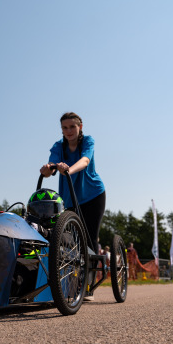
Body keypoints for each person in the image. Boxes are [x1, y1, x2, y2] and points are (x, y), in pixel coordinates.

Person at [40, 112, 106, 301]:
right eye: (64, 128)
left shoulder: (88, 141)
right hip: (69, 198)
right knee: (70, 241)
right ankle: (69, 283)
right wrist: (47, 169)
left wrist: (68, 169)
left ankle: (88, 287)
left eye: (72, 127)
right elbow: (51, 164)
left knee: (89, 237)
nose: (68, 131)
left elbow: (85, 161)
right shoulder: (58, 146)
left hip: (93, 194)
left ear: (80, 127)